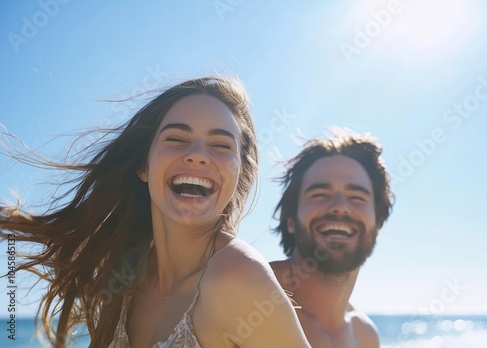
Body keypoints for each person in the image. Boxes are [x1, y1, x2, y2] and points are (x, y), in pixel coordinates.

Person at [0, 77, 311, 348]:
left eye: (220, 145)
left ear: (238, 175)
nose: (198, 156)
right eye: (176, 139)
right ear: (143, 166)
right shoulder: (126, 275)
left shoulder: (236, 277)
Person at [270, 129, 394, 347]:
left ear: (377, 225)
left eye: (357, 197)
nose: (340, 207)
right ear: (290, 219)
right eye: (320, 195)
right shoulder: (251, 295)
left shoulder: (365, 336)